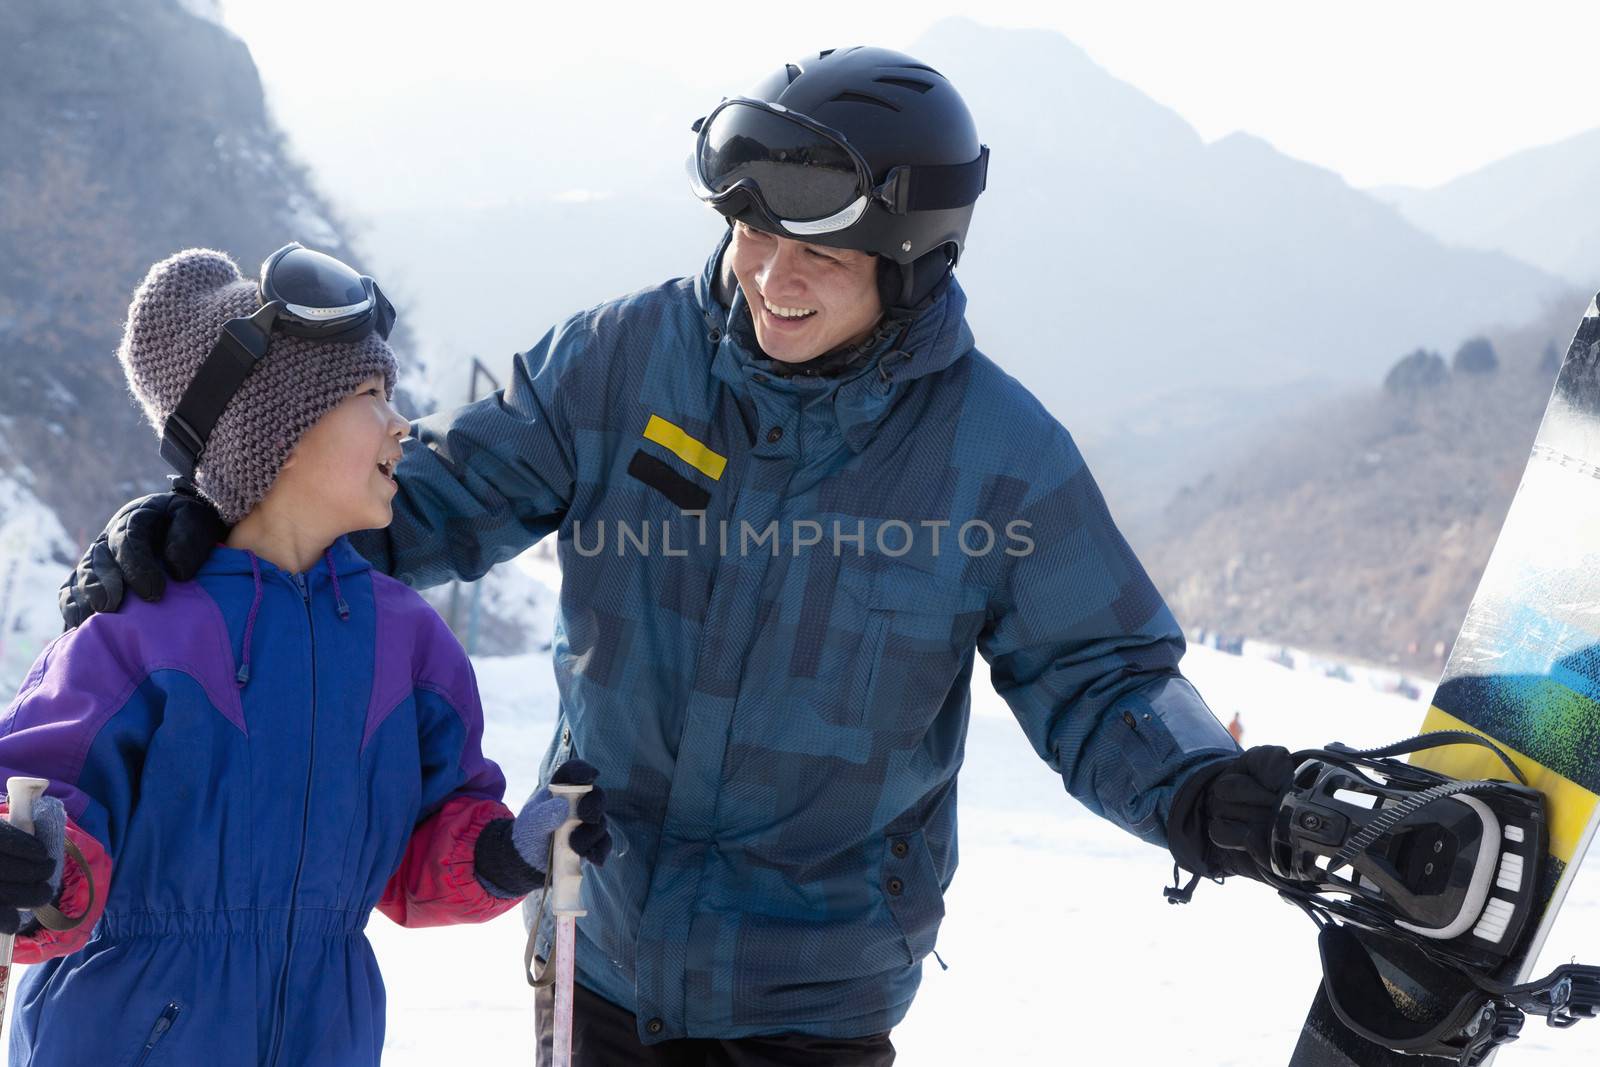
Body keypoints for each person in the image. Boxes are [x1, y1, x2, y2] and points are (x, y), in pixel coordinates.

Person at [60, 49, 1293, 1066]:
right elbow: (413, 506)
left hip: (818, 993)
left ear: (911, 260)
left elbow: (1105, 673)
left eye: (819, 251)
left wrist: (1199, 788)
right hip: (599, 944)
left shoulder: (993, 455)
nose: (769, 272)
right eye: (752, 229)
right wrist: (207, 527)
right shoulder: (621, 361)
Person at [2, 247, 609, 1065]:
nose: (401, 423)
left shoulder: (409, 642)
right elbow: (41, 803)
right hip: (128, 1033)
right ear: (276, 434)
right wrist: (29, 864)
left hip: (324, 1034)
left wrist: (512, 850)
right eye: (369, 395)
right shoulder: (137, 634)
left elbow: (421, 852)